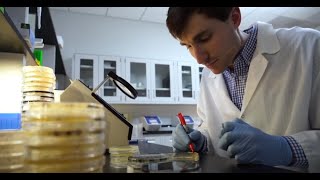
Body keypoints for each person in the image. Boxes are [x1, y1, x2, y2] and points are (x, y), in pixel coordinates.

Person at [166, 7, 320, 172]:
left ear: (234, 18)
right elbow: (210, 128)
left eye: (204, 38)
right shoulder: (207, 74)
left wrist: (287, 149)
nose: (199, 58)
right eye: (188, 46)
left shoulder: (309, 46)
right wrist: (202, 142)